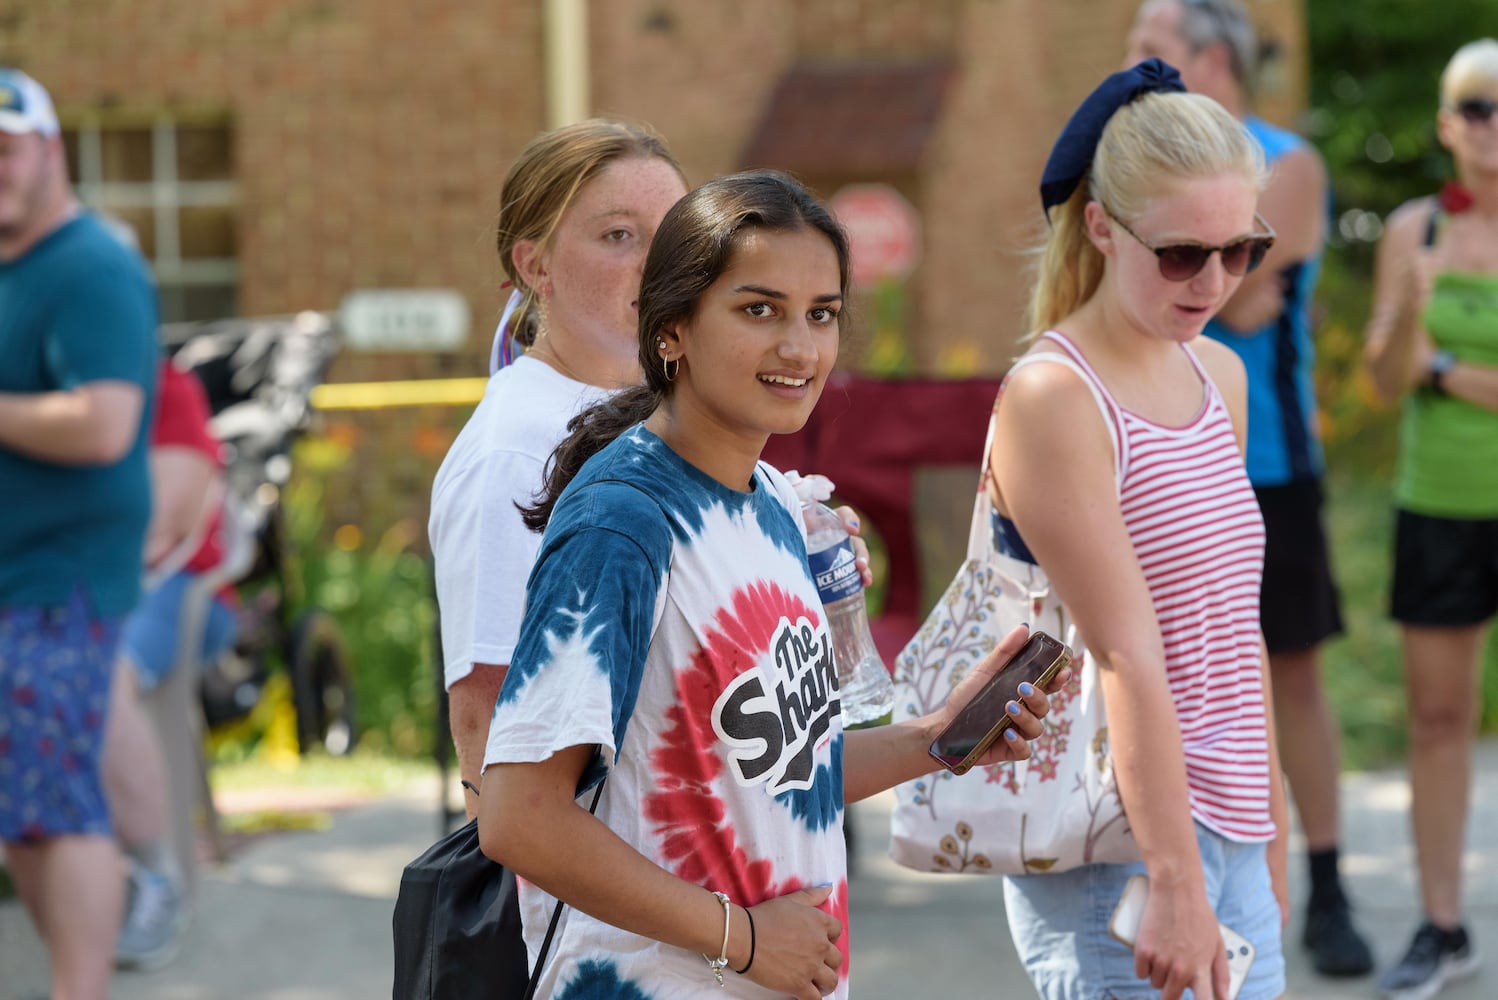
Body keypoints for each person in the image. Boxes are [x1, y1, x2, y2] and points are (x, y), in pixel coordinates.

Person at [476, 169, 1064, 1000]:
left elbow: (773, 773)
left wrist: (938, 737)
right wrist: (744, 939)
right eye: (760, 310)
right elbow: (519, 818)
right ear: (671, 327)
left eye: (820, 314)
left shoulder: (778, 507)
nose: (800, 347)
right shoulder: (624, 522)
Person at [989, 61, 1290, 1000]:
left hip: (1229, 829)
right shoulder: (1054, 396)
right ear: (1101, 226)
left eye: (1241, 249)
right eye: (1181, 254)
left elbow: (1236, 632)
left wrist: (1269, 834)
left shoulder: (1218, 377)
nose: (1214, 279)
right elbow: (1126, 655)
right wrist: (1175, 877)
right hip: (1118, 843)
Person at [1124, 0, 1373, 977]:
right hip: (1148, 459)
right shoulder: (1130, 174)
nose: (1129, 70)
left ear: (1211, 62)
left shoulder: (1285, 165)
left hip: (1264, 464)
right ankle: (1172, 869)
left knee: (1288, 675)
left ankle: (1323, 879)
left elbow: (1246, 299)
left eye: (1151, 52)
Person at [429, 119, 691, 819]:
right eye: (617, 235)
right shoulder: (516, 449)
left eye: (671, 236)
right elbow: (485, 717)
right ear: (535, 267)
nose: (656, 264)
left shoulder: (673, 411)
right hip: (607, 904)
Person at [0, 68, 159, 999]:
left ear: (50, 150)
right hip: (22, 583)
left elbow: (103, 424)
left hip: (59, 584)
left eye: (6, 147)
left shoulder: (90, 265)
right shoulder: (19, 266)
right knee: (27, 813)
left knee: (57, 813)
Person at [1361, 37, 1498, 1000]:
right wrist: (1410, 322)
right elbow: (1378, 380)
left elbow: (1424, 376)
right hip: (1439, 505)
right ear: (1449, 125)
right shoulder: (1413, 230)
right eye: (1478, 108)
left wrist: (1443, 370)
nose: (1494, 125)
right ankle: (1443, 925)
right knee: (1439, 719)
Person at [103, 357, 237, 972]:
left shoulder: (162, 385)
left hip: (172, 586)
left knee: (96, 680)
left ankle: (155, 878)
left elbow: (163, 529)